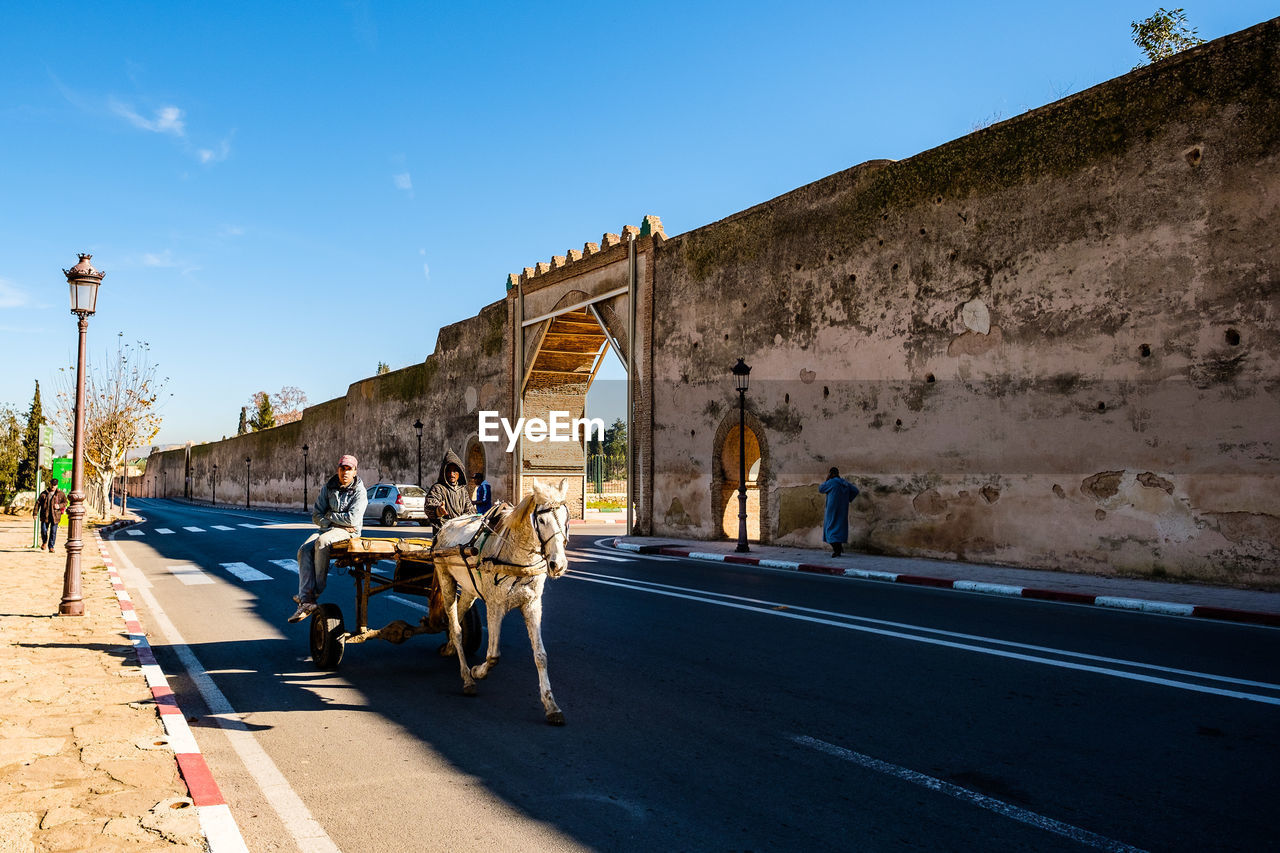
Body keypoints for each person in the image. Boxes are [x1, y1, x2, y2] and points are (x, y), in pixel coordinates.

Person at [288, 454, 367, 623]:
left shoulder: (360, 491)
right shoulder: (329, 487)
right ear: (338, 470)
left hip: (349, 532)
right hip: (327, 528)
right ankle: (306, 599)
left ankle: (313, 593)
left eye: (349, 469)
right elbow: (316, 515)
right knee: (304, 549)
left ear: (355, 471)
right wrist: (332, 519)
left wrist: (330, 515)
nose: (345, 472)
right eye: (342, 468)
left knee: (322, 542)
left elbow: (353, 519)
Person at [425, 449, 475, 524]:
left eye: (455, 471)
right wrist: (438, 510)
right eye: (449, 471)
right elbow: (429, 506)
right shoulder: (438, 488)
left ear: (460, 473)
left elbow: (469, 509)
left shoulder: (463, 490)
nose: (452, 474)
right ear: (444, 472)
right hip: (444, 531)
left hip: (460, 530)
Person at [819, 467, 860, 557]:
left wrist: (827, 479)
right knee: (839, 527)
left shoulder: (832, 482)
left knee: (830, 528)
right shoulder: (844, 483)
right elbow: (855, 490)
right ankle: (838, 547)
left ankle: (837, 550)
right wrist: (848, 498)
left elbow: (821, 488)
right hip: (843, 509)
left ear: (831, 474)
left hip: (832, 509)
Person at [34, 479, 68, 552]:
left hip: (55, 516)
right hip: (44, 516)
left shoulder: (61, 494)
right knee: (43, 531)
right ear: (49, 484)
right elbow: (38, 503)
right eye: (52, 484)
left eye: (54, 485)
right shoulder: (44, 493)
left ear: (57, 485)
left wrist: (59, 506)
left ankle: (51, 547)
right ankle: (44, 542)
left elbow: (65, 502)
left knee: (53, 532)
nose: (53, 486)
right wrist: (35, 513)